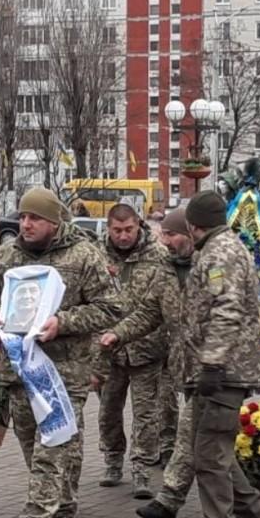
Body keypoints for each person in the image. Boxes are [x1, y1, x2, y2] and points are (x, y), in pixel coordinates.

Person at [0, 186, 122, 518]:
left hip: (64, 376)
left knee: (49, 457)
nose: (26, 224)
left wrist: (64, 323)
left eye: (34, 218)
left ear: (55, 221)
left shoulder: (84, 255)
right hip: (20, 372)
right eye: (22, 217)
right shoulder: (7, 255)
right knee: (37, 455)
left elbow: (111, 307)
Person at [167, 191, 260, 518]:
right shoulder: (221, 248)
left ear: (194, 226)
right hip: (218, 370)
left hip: (223, 372)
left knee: (209, 455)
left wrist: (212, 363)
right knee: (215, 449)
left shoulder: (219, 254)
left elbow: (226, 309)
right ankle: (256, 516)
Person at [92, 204, 173, 499]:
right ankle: (113, 460)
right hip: (108, 350)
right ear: (109, 228)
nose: (123, 236)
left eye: (129, 230)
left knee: (146, 413)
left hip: (147, 348)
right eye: (117, 230)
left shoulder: (158, 256)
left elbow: (166, 301)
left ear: (138, 225)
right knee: (108, 410)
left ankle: (142, 468)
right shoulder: (96, 256)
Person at [135, 208, 199, 518]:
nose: (164, 241)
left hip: (213, 370)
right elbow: (148, 312)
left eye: (170, 234)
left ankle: (169, 500)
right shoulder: (164, 270)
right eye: (162, 235)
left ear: (188, 234)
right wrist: (116, 334)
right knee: (206, 439)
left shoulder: (212, 264)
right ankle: (251, 507)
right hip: (181, 366)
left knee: (192, 433)